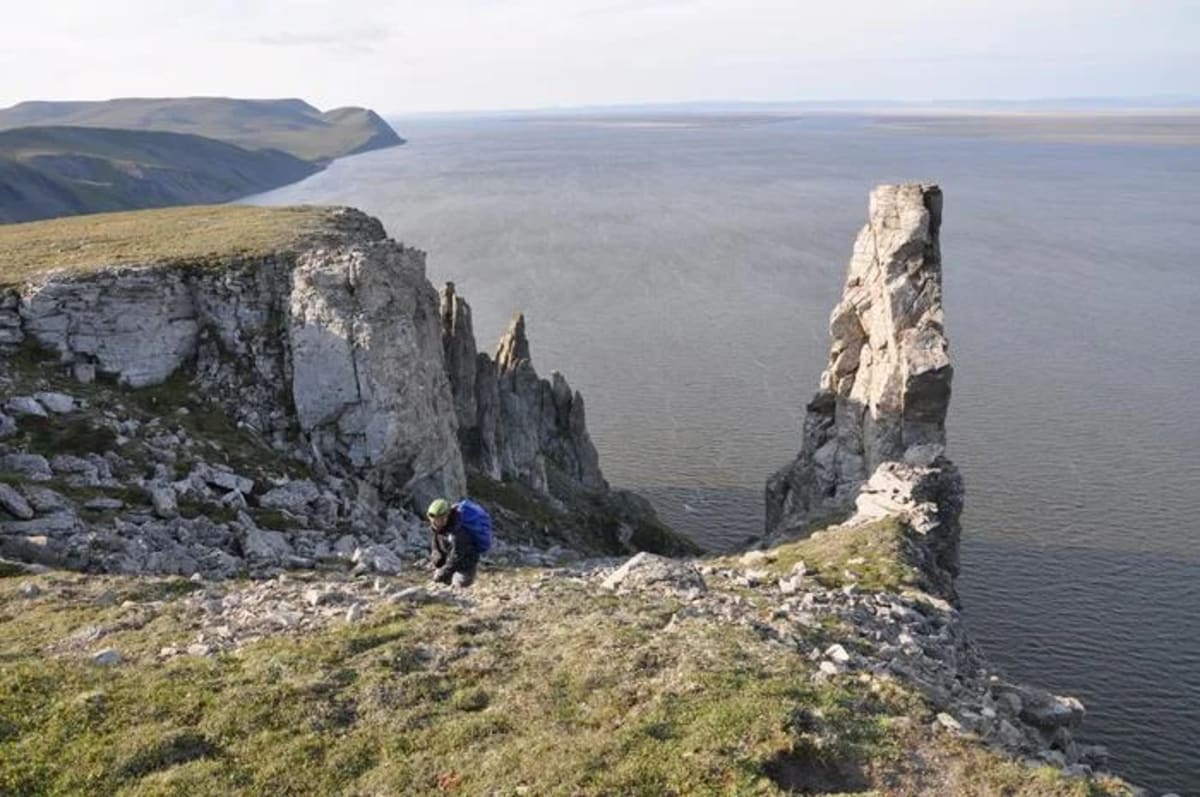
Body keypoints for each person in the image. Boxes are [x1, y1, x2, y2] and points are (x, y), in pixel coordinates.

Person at [426, 498, 478, 588]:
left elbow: (456, 556)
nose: (436, 523)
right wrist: (437, 562)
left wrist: (443, 572)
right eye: (434, 520)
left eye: (440, 519)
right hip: (449, 562)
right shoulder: (439, 528)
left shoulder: (458, 532)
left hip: (465, 567)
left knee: (458, 586)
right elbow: (436, 546)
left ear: (447, 515)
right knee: (440, 581)